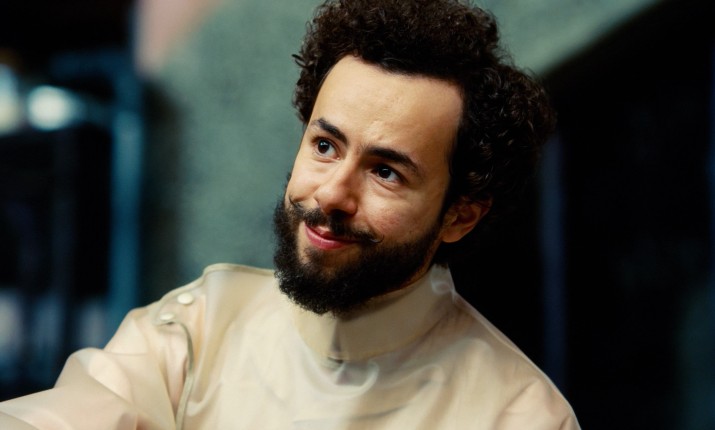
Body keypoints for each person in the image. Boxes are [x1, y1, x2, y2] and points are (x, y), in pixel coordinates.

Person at [0, 0, 580, 428]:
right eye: (325, 146)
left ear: (460, 216)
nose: (331, 195)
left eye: (386, 172)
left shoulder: (519, 414)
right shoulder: (195, 330)